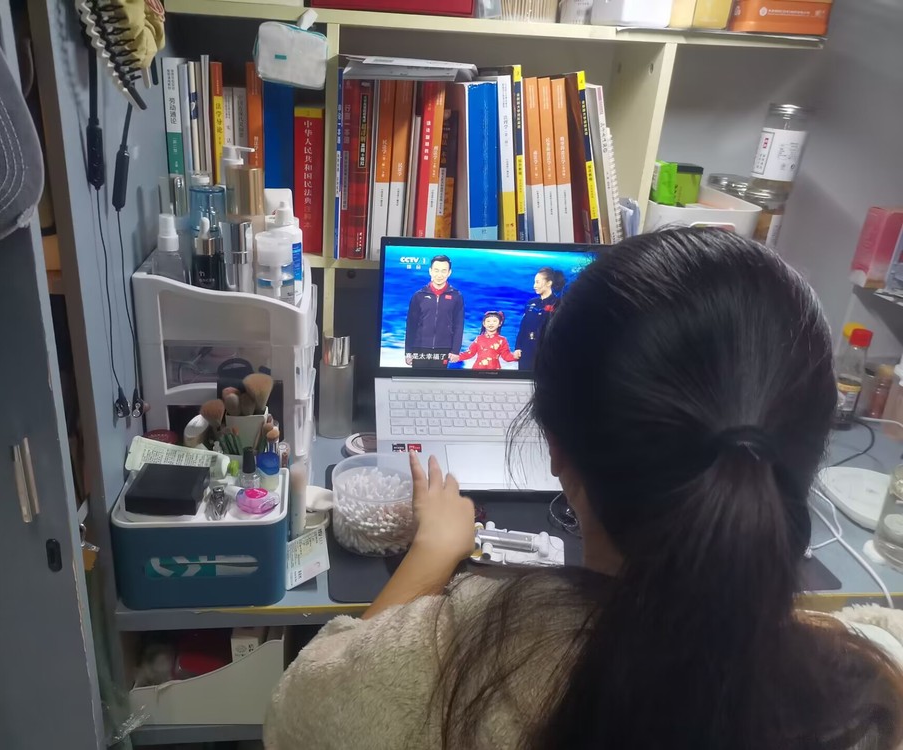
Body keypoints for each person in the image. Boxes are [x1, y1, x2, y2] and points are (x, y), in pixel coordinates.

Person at [265, 228, 903, 750]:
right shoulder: (871, 691)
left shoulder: (450, 658)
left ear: (556, 448)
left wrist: (431, 552)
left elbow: (299, 710)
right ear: (807, 449)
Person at [404, 255, 465, 368]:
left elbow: (458, 325)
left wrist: (455, 350)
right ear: (430, 271)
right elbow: (411, 326)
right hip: (420, 348)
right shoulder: (419, 295)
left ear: (449, 273)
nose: (439, 275)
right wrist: (408, 351)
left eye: (443, 271)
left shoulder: (456, 296)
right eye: (436, 270)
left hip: (444, 348)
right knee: (416, 379)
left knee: (439, 379)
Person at [514, 267, 565, 371]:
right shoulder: (530, 303)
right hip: (527, 348)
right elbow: (523, 326)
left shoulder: (558, 303)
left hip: (546, 349)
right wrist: (518, 347)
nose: (534, 286)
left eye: (537, 282)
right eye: (534, 282)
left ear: (549, 283)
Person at [448, 311, 520, 370]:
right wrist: (457, 357)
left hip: (494, 371)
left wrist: (516, 356)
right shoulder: (479, 339)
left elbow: (506, 356)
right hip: (477, 370)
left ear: (500, 323)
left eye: (494, 321)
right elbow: (469, 353)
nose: (491, 323)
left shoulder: (502, 340)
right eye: (488, 321)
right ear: (484, 323)